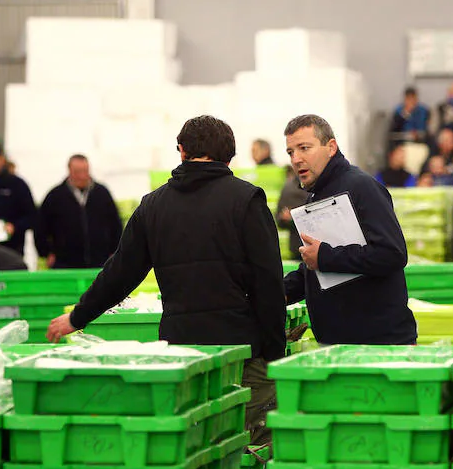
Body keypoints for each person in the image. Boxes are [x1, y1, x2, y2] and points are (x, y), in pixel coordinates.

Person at [46, 116, 286, 445]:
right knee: (250, 451)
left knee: (195, 451)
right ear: (229, 156)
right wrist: (274, 351)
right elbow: (269, 281)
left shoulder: (153, 206)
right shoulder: (247, 200)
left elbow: (120, 273)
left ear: (182, 151)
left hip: (182, 352)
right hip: (241, 352)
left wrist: (78, 317)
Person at [282, 114, 417, 345]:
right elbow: (317, 266)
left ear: (331, 147)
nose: (296, 159)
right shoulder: (316, 196)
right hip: (338, 342)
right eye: (291, 152)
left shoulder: (361, 187)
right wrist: (279, 292)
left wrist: (324, 256)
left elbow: (391, 253)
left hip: (378, 344)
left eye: (304, 148)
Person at [35, 154, 123, 269]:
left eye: (85, 171)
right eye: (77, 171)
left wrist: (115, 251)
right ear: (69, 171)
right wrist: (46, 253)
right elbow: (40, 227)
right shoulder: (55, 196)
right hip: (65, 265)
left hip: (100, 263)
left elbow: (116, 224)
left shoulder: (102, 193)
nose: (82, 176)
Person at [275, 165, 310, 261]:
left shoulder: (323, 185)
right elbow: (279, 219)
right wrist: (286, 219)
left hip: (320, 248)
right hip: (298, 250)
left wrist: (294, 217)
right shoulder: (288, 188)